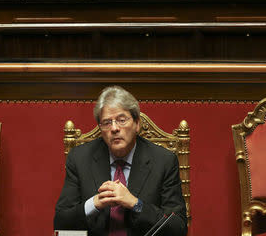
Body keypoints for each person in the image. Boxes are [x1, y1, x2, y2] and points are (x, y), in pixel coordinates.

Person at [54, 86, 187, 236]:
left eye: (122, 120)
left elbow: (178, 228)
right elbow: (61, 223)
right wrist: (94, 203)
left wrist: (136, 204)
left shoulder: (164, 161)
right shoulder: (80, 158)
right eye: (107, 122)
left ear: (137, 124)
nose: (114, 128)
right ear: (100, 129)